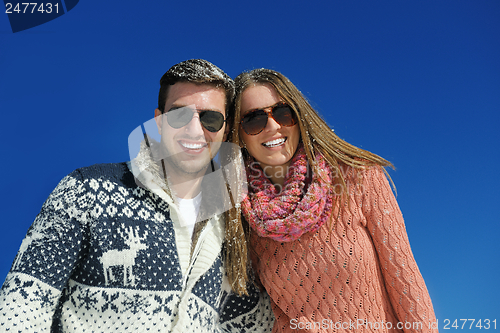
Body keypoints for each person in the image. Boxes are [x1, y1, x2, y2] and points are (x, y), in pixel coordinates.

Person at [0, 59, 273, 332]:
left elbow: (257, 324)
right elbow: (21, 305)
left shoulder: (230, 226)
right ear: (158, 121)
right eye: (178, 116)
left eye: (210, 119)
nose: (193, 129)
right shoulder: (86, 189)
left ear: (225, 129)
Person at [228, 68, 438, 332]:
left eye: (283, 112)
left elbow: (404, 279)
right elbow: (268, 315)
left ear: (299, 116)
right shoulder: (243, 218)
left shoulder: (357, 176)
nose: (273, 126)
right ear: (240, 135)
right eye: (253, 119)